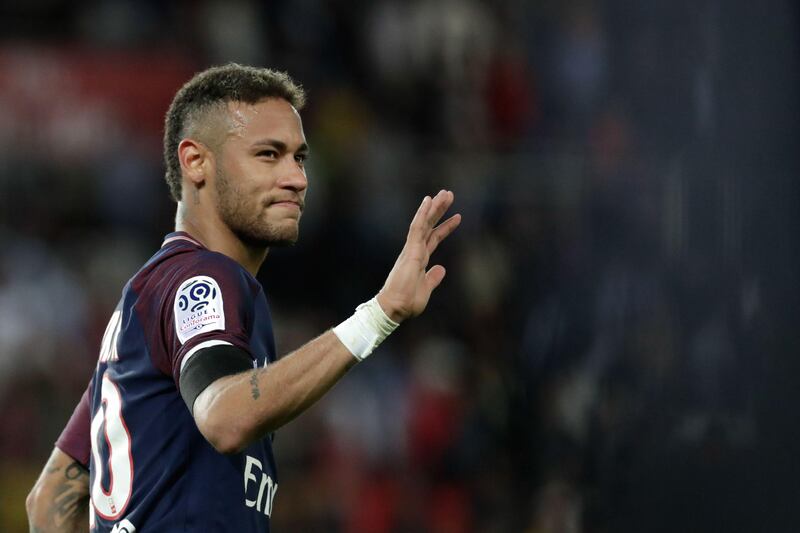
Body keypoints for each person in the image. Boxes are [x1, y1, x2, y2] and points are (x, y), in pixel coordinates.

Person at [25, 63, 460, 532]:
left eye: (299, 157)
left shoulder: (147, 302)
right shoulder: (205, 278)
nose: (297, 178)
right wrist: (379, 315)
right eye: (268, 155)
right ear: (195, 162)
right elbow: (226, 418)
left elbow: (50, 500)